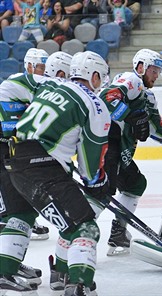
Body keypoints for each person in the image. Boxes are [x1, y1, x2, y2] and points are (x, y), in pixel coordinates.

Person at [0, 51, 110, 296]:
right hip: (42, 167)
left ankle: (3, 271)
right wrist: (97, 182)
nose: (101, 83)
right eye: (100, 77)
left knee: (21, 214)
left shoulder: (50, 83)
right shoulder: (94, 104)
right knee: (84, 227)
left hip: (11, 156)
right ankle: (78, 285)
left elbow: (10, 85)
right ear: (93, 76)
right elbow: (90, 160)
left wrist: (9, 122)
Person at [96, 48, 162, 256]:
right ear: (141, 67)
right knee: (102, 192)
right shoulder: (131, 79)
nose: (156, 76)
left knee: (135, 184)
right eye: (154, 70)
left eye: (158, 71)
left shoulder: (147, 95)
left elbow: (158, 127)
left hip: (121, 150)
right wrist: (130, 116)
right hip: (109, 146)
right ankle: (78, 237)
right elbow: (106, 99)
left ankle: (118, 232)